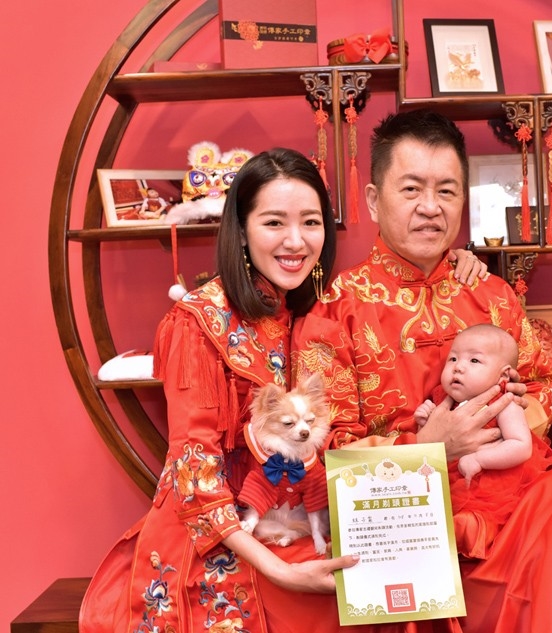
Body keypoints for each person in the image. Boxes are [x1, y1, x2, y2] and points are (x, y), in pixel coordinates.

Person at [272, 109, 552, 633]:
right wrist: (429, 446)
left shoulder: (492, 295)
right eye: (411, 189)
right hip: (401, 520)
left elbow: (545, 387)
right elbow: (323, 447)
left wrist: (508, 416)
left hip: (505, 505)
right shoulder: (333, 312)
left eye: (447, 191)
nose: (430, 207)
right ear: (374, 199)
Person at [79, 147, 487, 633]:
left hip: (294, 517)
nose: (296, 241)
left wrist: (453, 261)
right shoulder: (199, 321)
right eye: (274, 222)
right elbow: (194, 475)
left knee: (406, 584)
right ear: (241, 229)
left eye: (311, 222)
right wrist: (283, 572)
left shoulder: (300, 307)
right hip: (225, 539)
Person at [414, 323, 552, 559]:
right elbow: (431, 442)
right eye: (453, 359)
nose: (458, 367)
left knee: (483, 515)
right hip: (450, 477)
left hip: (490, 478)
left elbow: (521, 446)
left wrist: (480, 459)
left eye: (474, 361)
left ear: (503, 375)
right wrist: (425, 423)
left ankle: (476, 533)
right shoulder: (443, 398)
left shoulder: (504, 403)